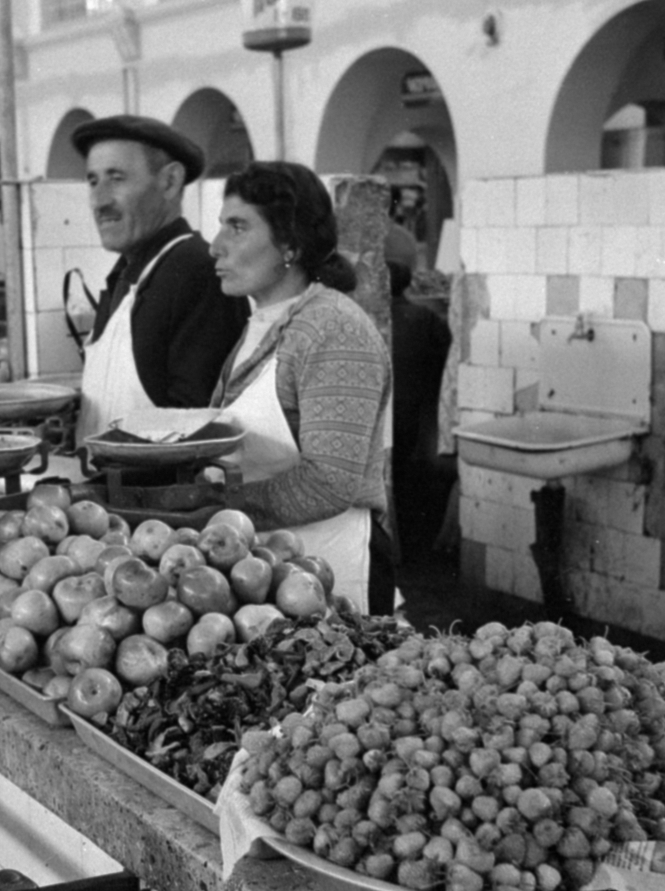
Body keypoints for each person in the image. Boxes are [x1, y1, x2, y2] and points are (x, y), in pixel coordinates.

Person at [207, 161, 394, 614]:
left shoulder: (333, 328)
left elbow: (330, 482)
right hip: (269, 564)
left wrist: (216, 513)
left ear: (289, 243)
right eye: (221, 227)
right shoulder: (264, 322)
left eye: (237, 227)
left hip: (330, 567)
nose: (216, 247)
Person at [71, 114, 250, 441]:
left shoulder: (196, 270)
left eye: (117, 178)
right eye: (93, 181)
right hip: (104, 484)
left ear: (170, 182)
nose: (99, 201)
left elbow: (197, 425)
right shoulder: (124, 274)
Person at [385, 226, 454, 556]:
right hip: (415, 415)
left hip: (387, 415)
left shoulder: (370, 319)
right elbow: (447, 355)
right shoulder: (424, 318)